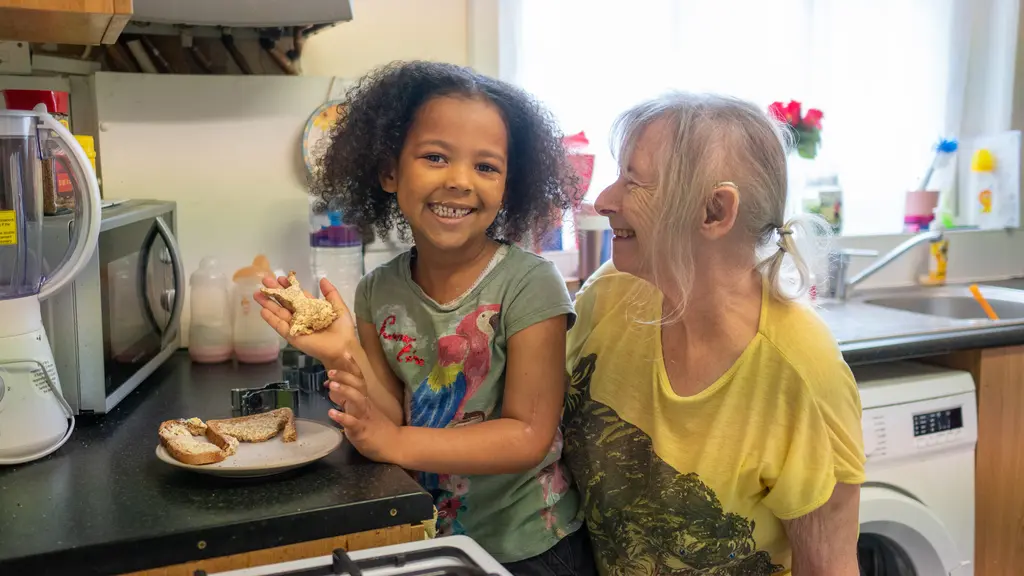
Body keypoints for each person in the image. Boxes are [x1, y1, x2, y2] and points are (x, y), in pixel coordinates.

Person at [256, 61, 594, 575]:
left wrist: (393, 443)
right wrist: (342, 351)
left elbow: (527, 435)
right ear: (390, 171)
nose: (460, 181)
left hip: (532, 550)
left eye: (486, 166)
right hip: (436, 541)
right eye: (436, 157)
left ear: (510, 184)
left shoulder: (530, 284)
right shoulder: (377, 291)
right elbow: (391, 414)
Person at [562, 93, 865, 575]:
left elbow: (828, 567)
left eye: (633, 181)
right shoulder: (612, 293)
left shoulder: (802, 371)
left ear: (714, 212)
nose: (603, 200)